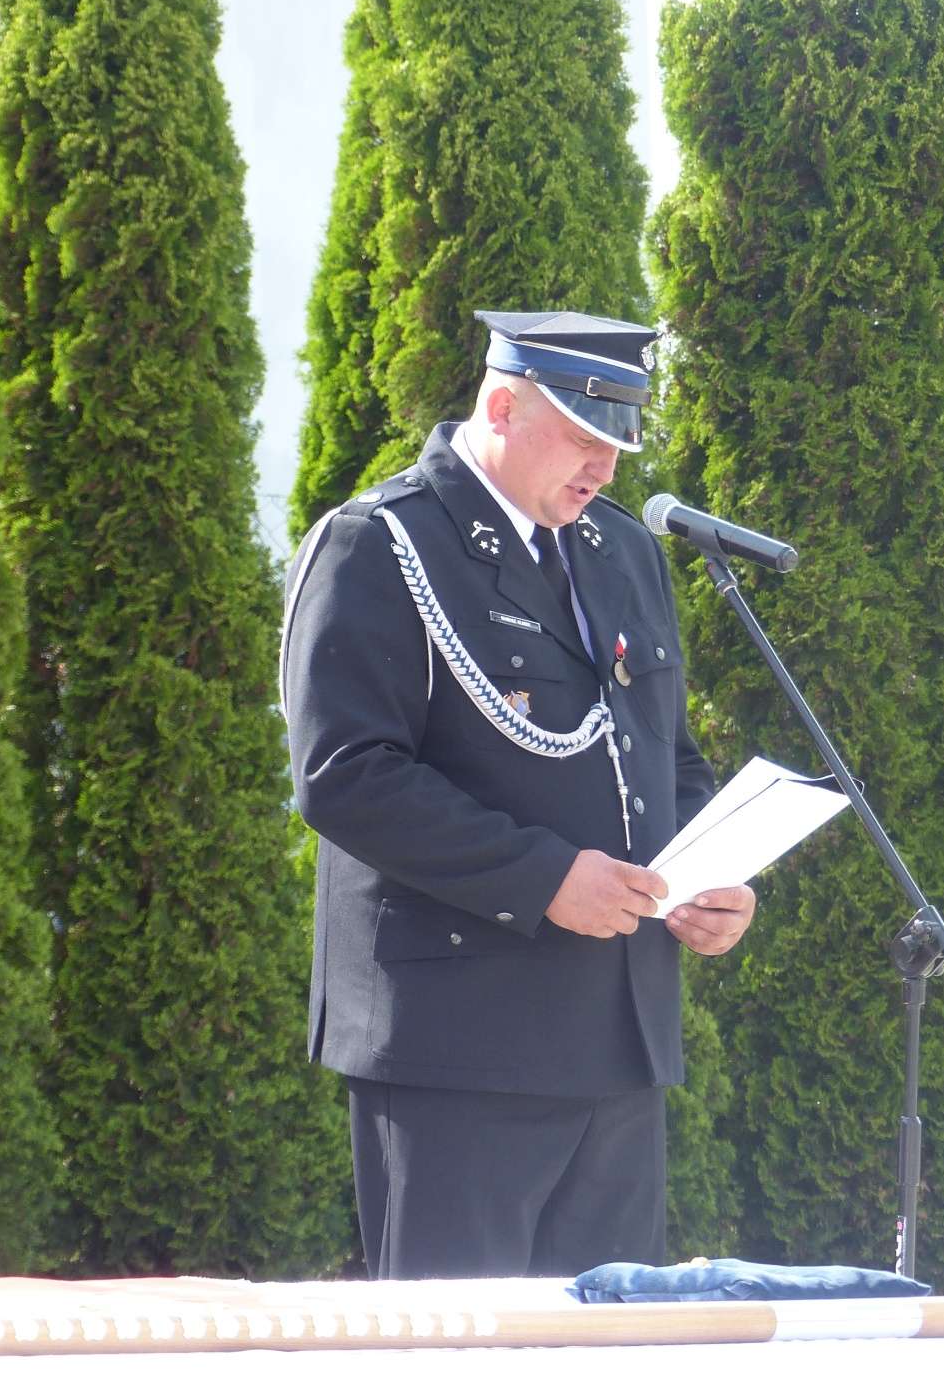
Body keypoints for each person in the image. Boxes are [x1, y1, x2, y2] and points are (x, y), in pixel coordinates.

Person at [281, 308, 755, 1280]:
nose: (606, 469)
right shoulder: (379, 544)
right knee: (459, 1364)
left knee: (607, 1360)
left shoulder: (619, 550)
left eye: (621, 444)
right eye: (585, 439)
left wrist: (707, 872)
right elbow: (344, 774)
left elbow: (666, 753)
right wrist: (541, 879)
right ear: (501, 406)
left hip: (616, 1043)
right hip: (457, 1049)